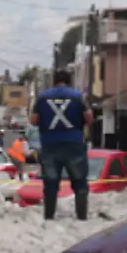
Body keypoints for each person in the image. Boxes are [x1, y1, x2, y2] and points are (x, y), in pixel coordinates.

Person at [33, 70, 90, 222]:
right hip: (74, 144)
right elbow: (89, 117)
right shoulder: (79, 96)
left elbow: (33, 120)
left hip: (50, 144)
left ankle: (49, 217)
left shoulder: (42, 97)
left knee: (50, 183)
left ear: (54, 80)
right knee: (80, 183)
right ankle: (82, 217)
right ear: (69, 80)